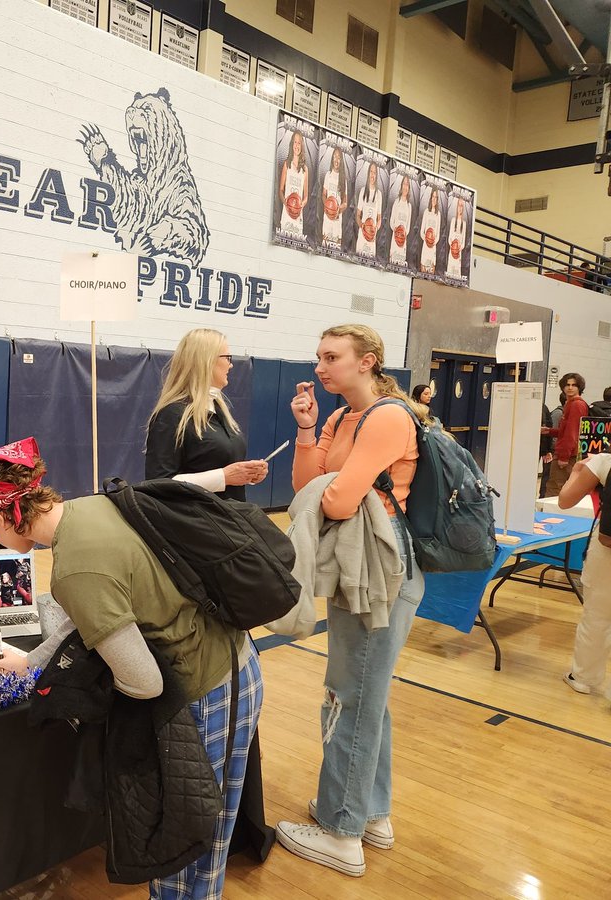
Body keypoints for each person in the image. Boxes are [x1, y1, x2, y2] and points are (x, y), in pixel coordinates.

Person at [0, 438, 260, 899]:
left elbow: (142, 682)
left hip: (205, 690)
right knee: (204, 838)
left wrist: (86, 684)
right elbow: (85, 613)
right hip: (230, 664)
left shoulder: (74, 569)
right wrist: (32, 661)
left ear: (5, 514)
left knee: (183, 852)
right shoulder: (90, 508)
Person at [276, 324, 426, 877]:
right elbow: (303, 488)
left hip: (381, 572)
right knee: (366, 695)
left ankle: (341, 829)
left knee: (350, 694)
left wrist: (329, 486)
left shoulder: (388, 416)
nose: (321, 367)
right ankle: (372, 814)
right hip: (360, 570)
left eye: (332, 357)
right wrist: (309, 430)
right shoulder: (340, 418)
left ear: (367, 362)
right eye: (318, 356)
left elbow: (335, 502)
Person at [145, 328, 268, 498]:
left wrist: (248, 474)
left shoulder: (219, 408)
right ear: (207, 361)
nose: (231, 364)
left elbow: (221, 466)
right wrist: (223, 477)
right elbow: (158, 484)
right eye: (227, 358)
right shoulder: (171, 415)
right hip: (197, 519)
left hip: (230, 515)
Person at [558, 454, 611, 699]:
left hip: (606, 551)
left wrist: (578, 470)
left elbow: (565, 501)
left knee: (598, 615)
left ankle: (583, 678)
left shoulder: (603, 461)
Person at [543, 373, 589, 497]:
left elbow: (572, 433)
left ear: (579, 387)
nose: (570, 387)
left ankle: (552, 516)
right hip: (570, 454)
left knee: (555, 489)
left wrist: (564, 457)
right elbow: (568, 430)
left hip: (567, 456)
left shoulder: (576, 404)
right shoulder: (572, 403)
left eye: (574, 385)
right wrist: (550, 431)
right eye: (567, 385)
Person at [278, 131, 309, 238]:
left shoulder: (305, 169)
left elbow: (306, 197)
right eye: (295, 142)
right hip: (287, 213)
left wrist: (301, 205)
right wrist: (285, 202)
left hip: (298, 215)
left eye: (299, 143)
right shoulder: (287, 164)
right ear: (292, 144)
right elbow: (281, 190)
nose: (296, 145)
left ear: (302, 146)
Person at [321, 147, 348, 250]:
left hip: (337, 219)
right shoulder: (328, 175)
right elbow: (324, 194)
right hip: (327, 218)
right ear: (332, 159)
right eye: (335, 157)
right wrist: (327, 205)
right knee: (324, 247)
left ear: (341, 161)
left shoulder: (343, 179)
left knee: (335, 249)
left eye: (339, 157)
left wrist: (339, 209)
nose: (336, 160)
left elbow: (345, 202)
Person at [355, 162, 382, 258]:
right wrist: (361, 225)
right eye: (371, 171)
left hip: (372, 236)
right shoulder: (363, 191)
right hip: (363, 234)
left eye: (375, 172)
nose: (372, 174)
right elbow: (358, 215)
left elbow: (379, 219)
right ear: (368, 173)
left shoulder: (378, 194)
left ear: (376, 176)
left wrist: (376, 228)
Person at [388, 177, 413, 266]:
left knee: (400, 265)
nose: (405, 187)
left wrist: (403, 233)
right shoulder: (396, 202)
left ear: (409, 188)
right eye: (404, 184)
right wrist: (396, 229)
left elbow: (408, 226)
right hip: (395, 239)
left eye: (407, 185)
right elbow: (392, 221)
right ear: (401, 185)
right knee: (393, 263)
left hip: (402, 241)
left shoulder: (409, 206)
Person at [445, 196, 467, 279]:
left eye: (462, 206)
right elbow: (449, 238)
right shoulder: (453, 220)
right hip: (452, 253)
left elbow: (463, 243)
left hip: (458, 255)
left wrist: (458, 248)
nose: (460, 208)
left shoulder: (464, 224)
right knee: (449, 275)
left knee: (456, 278)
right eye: (459, 205)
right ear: (457, 207)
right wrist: (453, 244)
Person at [419, 189, 440, 274]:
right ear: (431, 198)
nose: (434, 199)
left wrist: (433, 242)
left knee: (431, 274)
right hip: (425, 247)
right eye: (433, 196)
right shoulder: (426, 212)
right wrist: (427, 240)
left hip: (433, 249)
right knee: (423, 273)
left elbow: (438, 234)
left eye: (436, 197)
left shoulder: (438, 214)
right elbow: (421, 232)